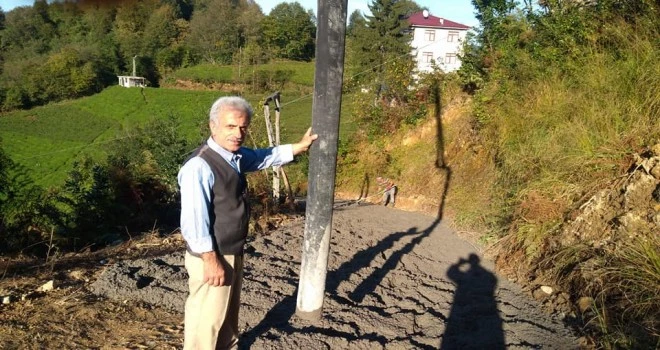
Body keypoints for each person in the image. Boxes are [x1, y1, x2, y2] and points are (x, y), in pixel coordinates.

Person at [178, 96, 317, 350]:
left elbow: (263, 157)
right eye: (231, 127)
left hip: (232, 251)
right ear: (213, 126)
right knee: (205, 322)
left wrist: (299, 147)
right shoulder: (200, 165)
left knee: (227, 319)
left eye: (243, 128)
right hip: (212, 256)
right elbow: (194, 222)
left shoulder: (236, 156)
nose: (238, 134)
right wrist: (211, 261)